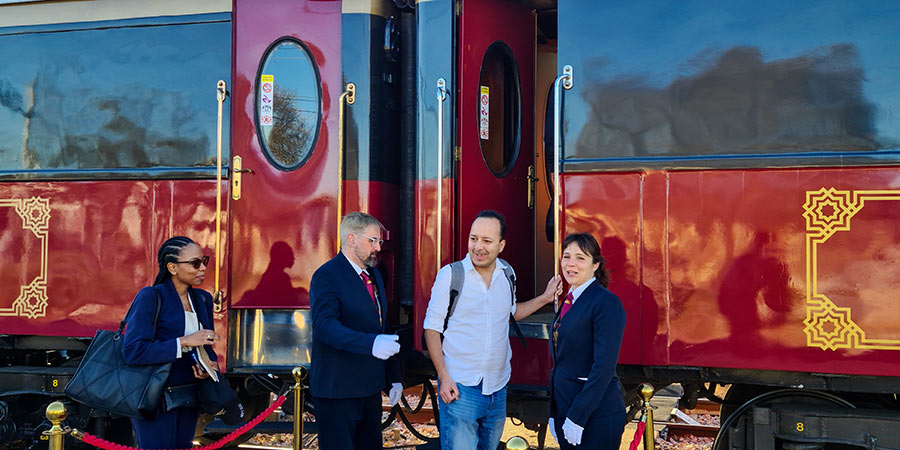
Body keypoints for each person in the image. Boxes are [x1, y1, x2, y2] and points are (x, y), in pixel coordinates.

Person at [423, 210, 560, 450]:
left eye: (487, 241)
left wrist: (545, 298)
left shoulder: (507, 273)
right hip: (461, 388)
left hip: (497, 389)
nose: (478, 247)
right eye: (473, 239)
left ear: (501, 245)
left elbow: (510, 313)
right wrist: (443, 377)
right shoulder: (451, 276)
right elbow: (431, 329)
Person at [309, 212, 403, 450]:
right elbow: (324, 327)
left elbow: (382, 326)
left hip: (369, 389)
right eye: (372, 241)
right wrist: (370, 344)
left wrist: (394, 378)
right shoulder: (327, 276)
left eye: (379, 241)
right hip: (337, 391)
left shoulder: (374, 275)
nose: (378, 248)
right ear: (351, 239)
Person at [122, 236, 221, 449]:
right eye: (195, 263)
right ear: (172, 267)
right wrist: (183, 342)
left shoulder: (202, 299)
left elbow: (205, 346)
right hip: (155, 397)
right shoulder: (151, 296)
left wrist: (210, 365)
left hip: (189, 395)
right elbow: (133, 350)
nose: (203, 268)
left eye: (204, 261)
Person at [548, 233, 627, 449]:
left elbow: (603, 367)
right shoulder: (571, 299)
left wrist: (577, 417)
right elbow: (561, 363)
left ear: (595, 265)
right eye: (566, 256)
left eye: (580, 258)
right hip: (566, 410)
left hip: (595, 417)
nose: (570, 263)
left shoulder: (606, 303)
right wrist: (554, 412)